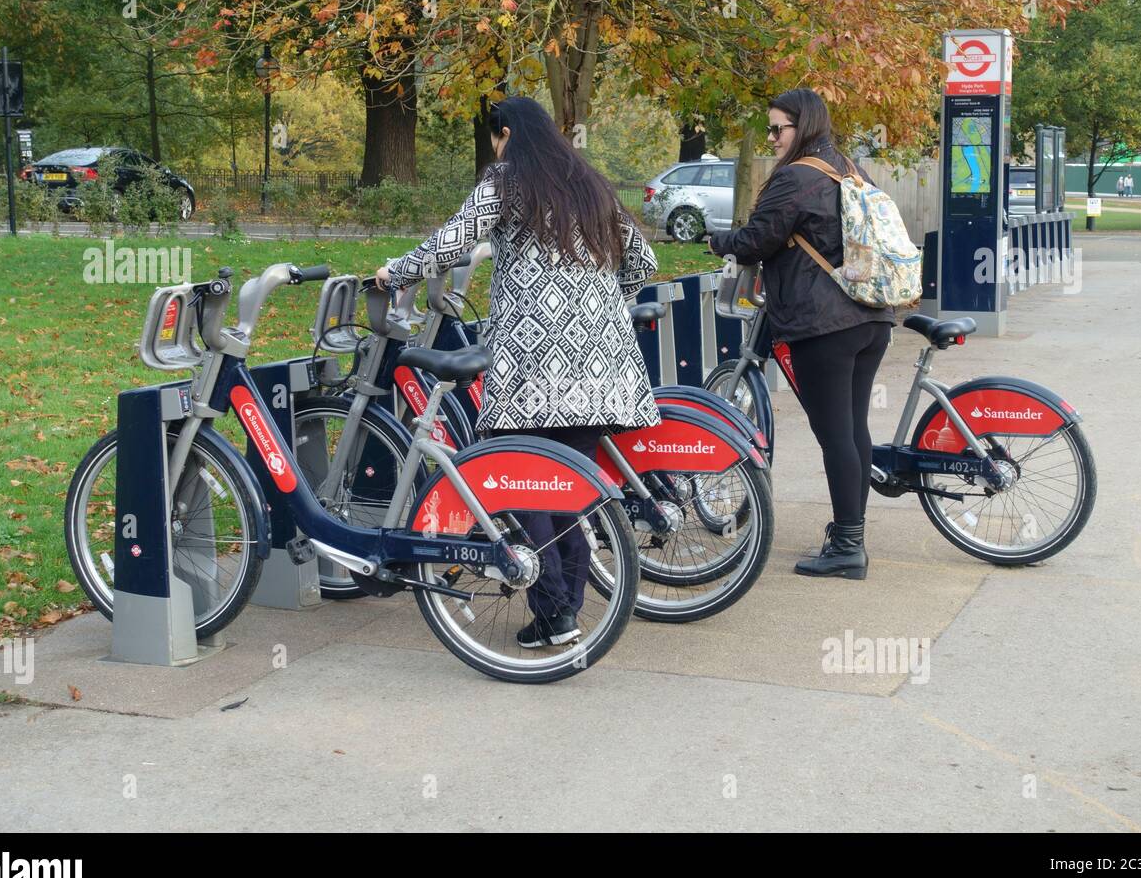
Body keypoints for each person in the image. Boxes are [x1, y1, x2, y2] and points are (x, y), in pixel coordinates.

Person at [374, 95, 660, 647]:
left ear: (505, 134)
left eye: (495, 138)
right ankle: (563, 612)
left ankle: (555, 609)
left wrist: (396, 272)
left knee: (520, 480)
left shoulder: (508, 180)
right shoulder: (590, 182)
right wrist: (597, 303)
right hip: (600, 361)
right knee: (570, 490)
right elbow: (643, 262)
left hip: (533, 360)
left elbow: (454, 242)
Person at [709, 88, 893, 580]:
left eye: (777, 129)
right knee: (854, 429)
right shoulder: (847, 168)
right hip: (869, 317)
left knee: (835, 435)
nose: (771, 138)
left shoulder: (795, 177)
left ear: (802, 126)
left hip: (824, 323)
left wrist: (717, 241)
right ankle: (849, 534)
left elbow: (756, 241)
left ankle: (849, 547)